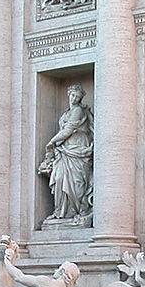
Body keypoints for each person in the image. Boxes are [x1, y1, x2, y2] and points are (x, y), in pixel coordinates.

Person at [38, 84, 94, 223]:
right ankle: (61, 212)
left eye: (77, 96)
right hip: (65, 150)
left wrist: (52, 141)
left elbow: (69, 129)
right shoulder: (66, 113)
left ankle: (79, 210)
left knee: (77, 182)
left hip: (78, 147)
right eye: (72, 95)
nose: (74, 98)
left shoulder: (78, 111)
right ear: (68, 95)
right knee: (60, 179)